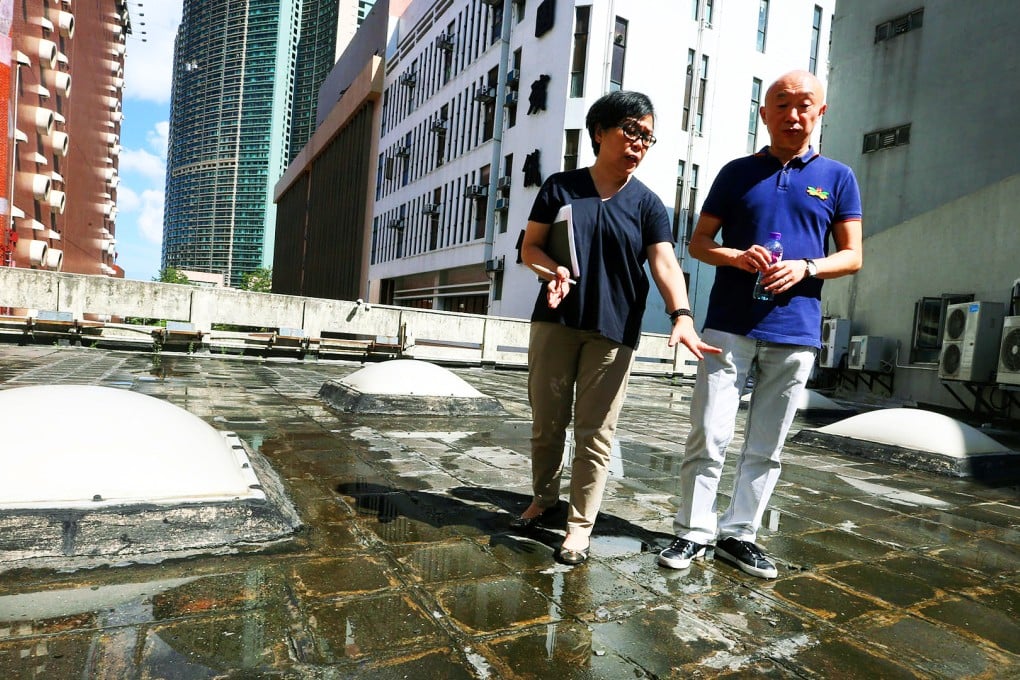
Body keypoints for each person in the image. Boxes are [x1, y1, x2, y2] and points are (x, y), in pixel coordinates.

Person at [657, 70, 863, 578]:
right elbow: (699, 243)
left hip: (796, 330)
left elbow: (853, 255)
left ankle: (739, 534)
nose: (793, 115)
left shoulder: (838, 177)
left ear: (820, 113)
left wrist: (808, 266)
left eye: (804, 105)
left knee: (767, 444)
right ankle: (692, 532)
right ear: (764, 112)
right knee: (708, 433)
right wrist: (734, 256)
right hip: (727, 326)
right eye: (781, 104)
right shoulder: (734, 172)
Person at [514, 90, 719, 565]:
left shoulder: (647, 204)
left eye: (648, 137)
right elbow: (531, 250)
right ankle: (543, 499)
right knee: (547, 422)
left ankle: (579, 527)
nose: (639, 144)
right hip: (556, 321)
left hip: (613, 329)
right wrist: (554, 272)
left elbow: (665, 263)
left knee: (595, 433)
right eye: (631, 131)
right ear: (600, 132)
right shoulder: (560, 188)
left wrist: (682, 315)